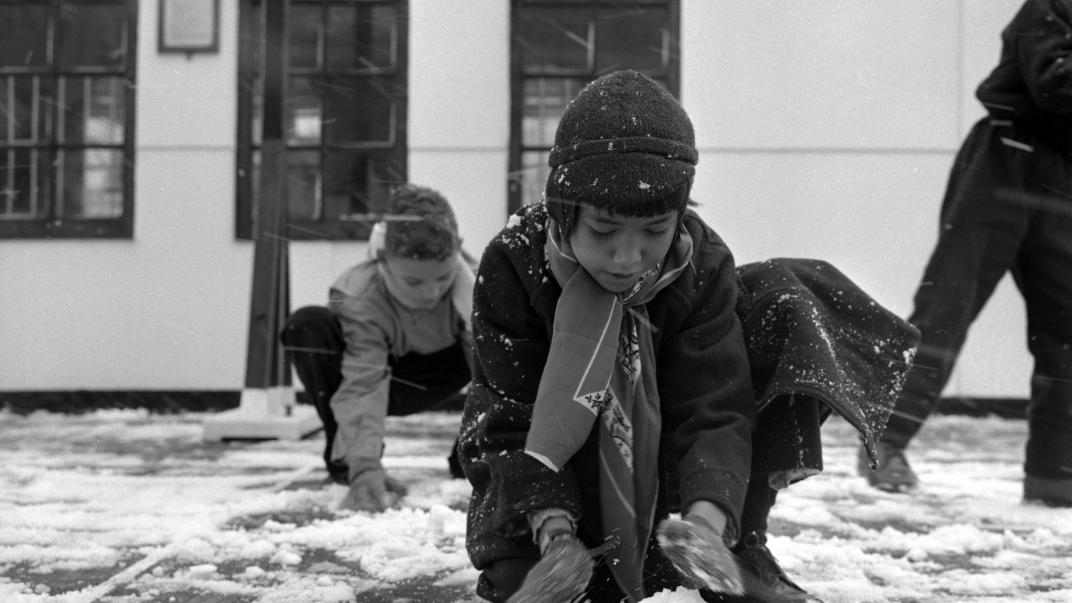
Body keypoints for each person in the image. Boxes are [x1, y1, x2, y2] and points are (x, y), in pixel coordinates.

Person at [458, 70, 919, 603]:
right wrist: (554, 534)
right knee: (518, 583)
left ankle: (738, 541)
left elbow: (716, 403)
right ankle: (571, 539)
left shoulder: (699, 263)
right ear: (564, 213)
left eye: (655, 231)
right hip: (547, 478)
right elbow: (508, 413)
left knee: (781, 298)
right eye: (604, 231)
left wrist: (704, 523)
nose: (627, 258)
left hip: (666, 483)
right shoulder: (514, 265)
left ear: (680, 217)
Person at [858, 0, 1072, 507]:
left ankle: (1055, 478)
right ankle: (885, 442)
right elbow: (1055, 82)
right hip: (1004, 162)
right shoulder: (1052, 6)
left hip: (1063, 176)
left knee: (1067, 332)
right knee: (948, 305)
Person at [280, 184, 475, 512]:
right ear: (384, 259)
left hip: (446, 372)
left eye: (442, 278)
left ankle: (472, 453)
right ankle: (347, 459)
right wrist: (366, 467)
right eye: (414, 282)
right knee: (307, 326)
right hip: (389, 381)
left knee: (507, 342)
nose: (431, 293)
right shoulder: (361, 296)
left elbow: (505, 372)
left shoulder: (479, 279)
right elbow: (363, 382)